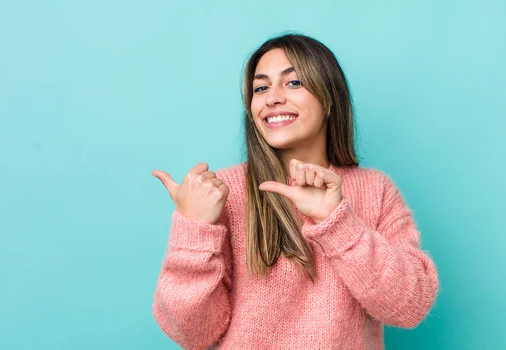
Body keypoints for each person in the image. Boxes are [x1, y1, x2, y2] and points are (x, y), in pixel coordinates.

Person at [150, 33, 439, 350]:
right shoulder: (222, 193)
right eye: (261, 88)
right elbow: (193, 334)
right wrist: (195, 230)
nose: (272, 98)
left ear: (329, 99)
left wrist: (336, 222)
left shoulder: (375, 190)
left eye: (293, 83)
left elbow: (410, 306)